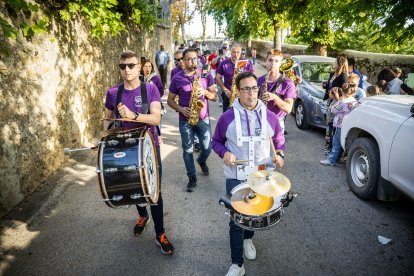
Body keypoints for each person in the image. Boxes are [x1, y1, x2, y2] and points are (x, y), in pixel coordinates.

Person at [212, 72, 285, 276]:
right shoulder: (227, 117)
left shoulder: (270, 116)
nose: (251, 93)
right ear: (238, 91)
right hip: (236, 175)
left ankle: (248, 239)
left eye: (254, 88)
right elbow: (216, 141)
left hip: (262, 176)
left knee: (254, 214)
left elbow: (278, 140)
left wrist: (279, 154)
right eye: (246, 89)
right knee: (236, 220)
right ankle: (237, 264)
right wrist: (224, 152)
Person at [103, 50, 174, 255]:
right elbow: (108, 119)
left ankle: (160, 234)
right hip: (125, 147)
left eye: (131, 65)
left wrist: (132, 115)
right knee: (132, 186)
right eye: (123, 66)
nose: (127, 70)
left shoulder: (150, 89)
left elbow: (155, 119)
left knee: (154, 191)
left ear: (139, 66)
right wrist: (104, 140)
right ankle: (143, 215)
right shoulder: (112, 92)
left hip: (149, 147)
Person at [167, 48, 218, 192]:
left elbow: (215, 97)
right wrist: (181, 109)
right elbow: (170, 101)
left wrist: (206, 92)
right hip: (185, 119)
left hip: (203, 118)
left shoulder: (206, 75)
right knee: (187, 150)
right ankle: (192, 177)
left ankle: (201, 160)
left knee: (207, 147)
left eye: (194, 58)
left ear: (198, 59)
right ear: (183, 61)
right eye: (188, 59)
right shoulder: (177, 78)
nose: (192, 61)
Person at [257, 49, 296, 134]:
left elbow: (288, 109)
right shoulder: (259, 80)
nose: (273, 63)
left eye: (276, 61)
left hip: (276, 123)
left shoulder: (288, 83)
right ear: (265, 62)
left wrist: (274, 97)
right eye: (270, 60)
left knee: (276, 147)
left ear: (280, 64)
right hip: (258, 121)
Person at [320, 83, 358, 166]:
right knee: (342, 142)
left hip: (338, 125)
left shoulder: (342, 102)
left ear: (344, 92)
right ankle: (337, 158)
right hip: (348, 125)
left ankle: (331, 160)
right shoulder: (354, 101)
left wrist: (339, 100)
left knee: (336, 143)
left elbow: (333, 110)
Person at [216, 44, 254, 112]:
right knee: (227, 118)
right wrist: (225, 90)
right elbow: (217, 78)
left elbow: (252, 78)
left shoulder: (247, 63)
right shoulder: (224, 63)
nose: (235, 54)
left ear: (241, 53)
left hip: (243, 95)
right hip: (229, 95)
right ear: (230, 52)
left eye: (238, 52)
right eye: (233, 52)